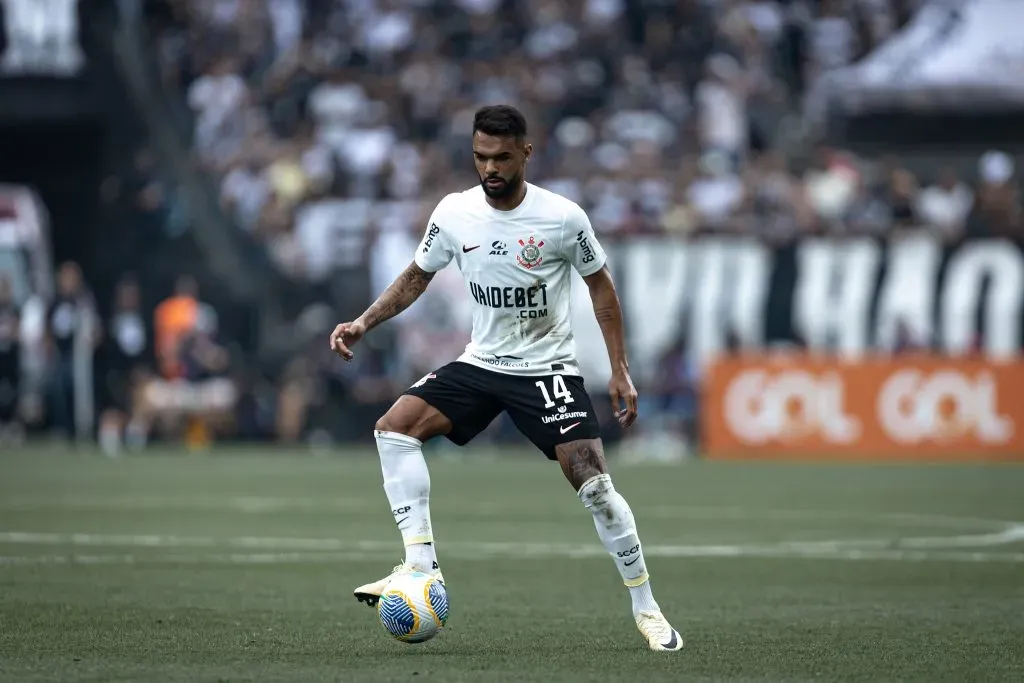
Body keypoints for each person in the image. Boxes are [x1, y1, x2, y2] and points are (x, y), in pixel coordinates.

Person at [329, 105, 683, 652]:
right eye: (479, 157)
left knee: (594, 485)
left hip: (548, 369)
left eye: (499, 157)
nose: (488, 168)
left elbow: (602, 288)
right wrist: (363, 323)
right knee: (393, 428)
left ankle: (648, 608)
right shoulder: (454, 212)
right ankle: (421, 568)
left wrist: (619, 370)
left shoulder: (563, 218)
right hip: (482, 363)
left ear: (525, 153)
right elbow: (417, 276)